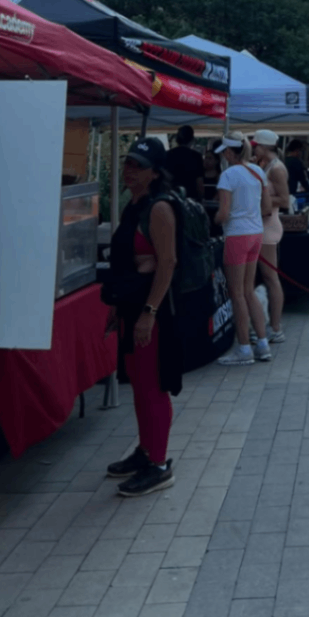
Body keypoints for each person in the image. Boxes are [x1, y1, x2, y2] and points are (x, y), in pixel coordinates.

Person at [105, 137, 183, 496]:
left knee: (153, 387)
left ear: (154, 173)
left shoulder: (159, 209)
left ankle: (159, 464)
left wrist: (149, 312)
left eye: (137, 165)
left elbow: (166, 263)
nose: (129, 171)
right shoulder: (132, 205)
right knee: (138, 383)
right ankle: (145, 450)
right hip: (132, 306)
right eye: (127, 163)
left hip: (152, 309)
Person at [213, 134, 272, 367]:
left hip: (236, 234)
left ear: (229, 153)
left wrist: (214, 219)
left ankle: (244, 347)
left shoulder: (227, 175)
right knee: (248, 291)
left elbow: (224, 213)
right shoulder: (258, 172)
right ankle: (263, 344)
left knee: (237, 293)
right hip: (256, 233)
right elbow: (266, 208)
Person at [253, 129, 288, 344]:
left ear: (264, 147)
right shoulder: (266, 166)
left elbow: (284, 200)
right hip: (263, 223)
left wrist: (260, 201)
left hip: (269, 225)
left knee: (270, 277)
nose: (254, 148)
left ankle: (276, 327)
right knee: (266, 276)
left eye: (256, 145)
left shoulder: (276, 169)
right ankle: (272, 325)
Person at [164, 125, 204, 201]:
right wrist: (201, 197)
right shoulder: (196, 156)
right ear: (192, 139)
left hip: (171, 195)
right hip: (191, 197)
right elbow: (199, 181)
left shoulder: (167, 154)